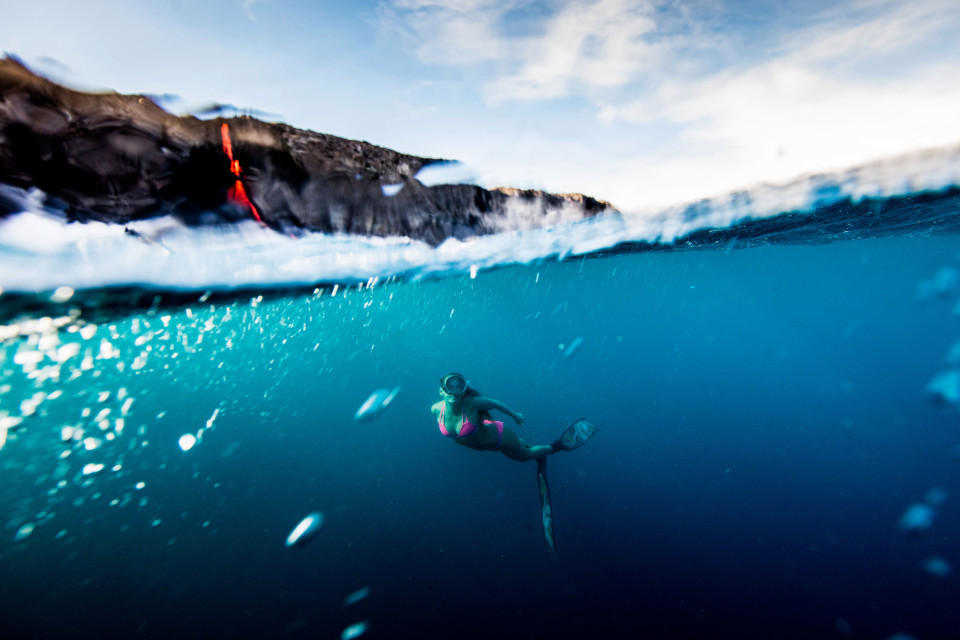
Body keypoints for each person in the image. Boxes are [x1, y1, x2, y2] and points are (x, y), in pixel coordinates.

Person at [430, 372, 593, 462]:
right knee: (519, 448)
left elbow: (495, 403)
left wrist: (516, 416)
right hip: (487, 442)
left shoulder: (472, 403)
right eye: (451, 386)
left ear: (464, 389)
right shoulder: (436, 409)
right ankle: (523, 444)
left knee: (524, 457)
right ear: (441, 390)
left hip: (499, 438)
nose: (455, 391)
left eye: (459, 386)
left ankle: (558, 446)